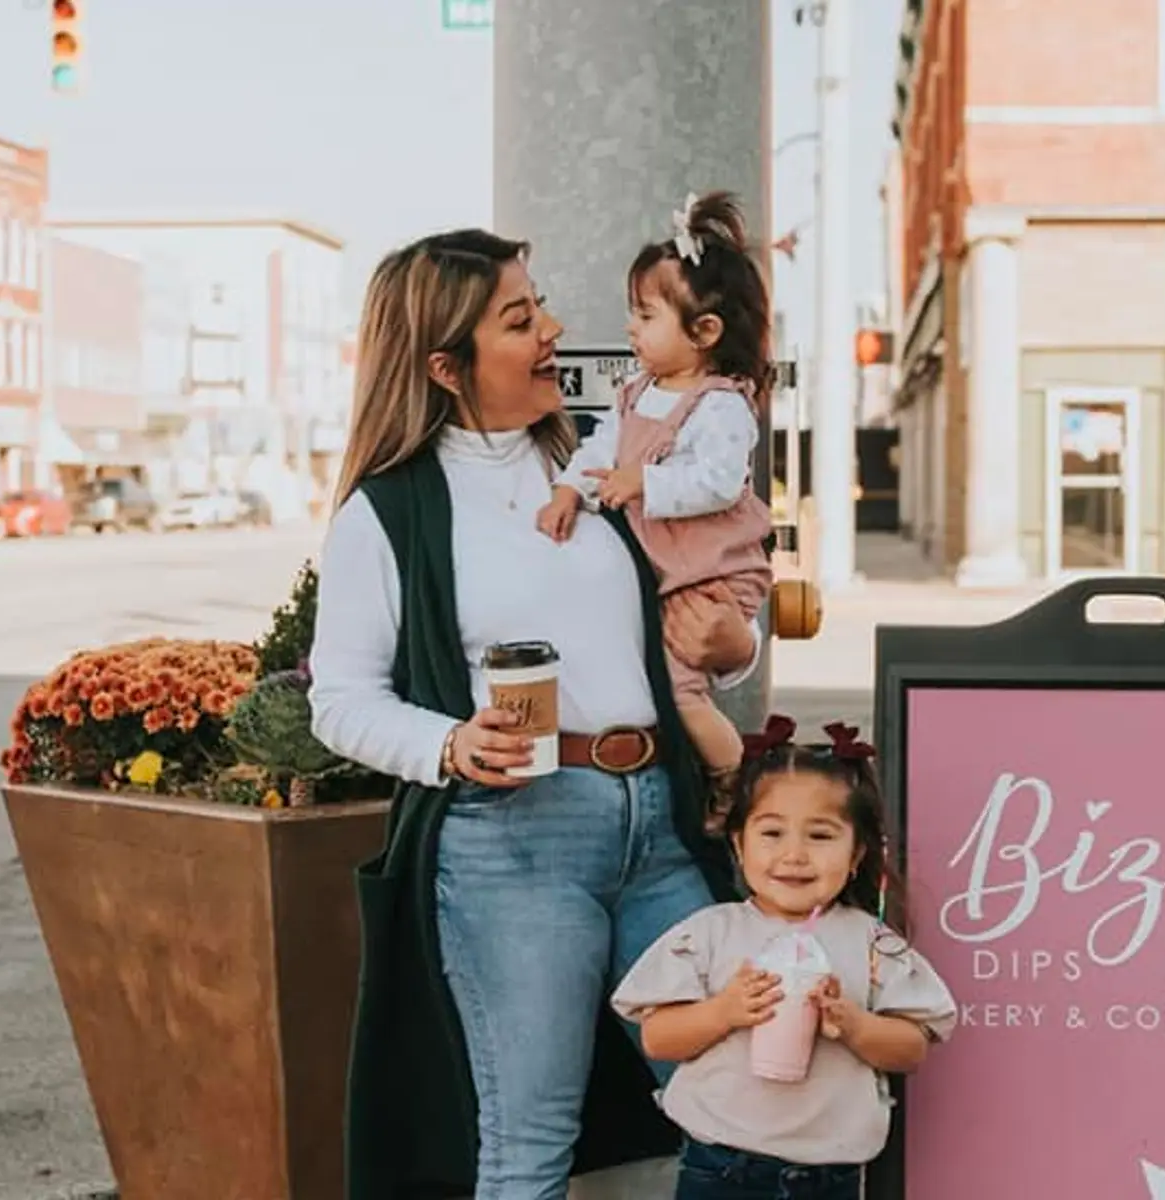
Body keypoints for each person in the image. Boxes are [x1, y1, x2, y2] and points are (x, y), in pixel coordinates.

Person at [308, 228, 765, 1200]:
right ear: (445, 363)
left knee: (742, 1104)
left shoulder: (606, 468)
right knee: (529, 1147)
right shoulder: (392, 512)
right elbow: (340, 701)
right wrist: (450, 742)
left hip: (659, 822)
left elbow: (694, 621)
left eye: (540, 305)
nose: (554, 329)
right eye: (521, 319)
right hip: (517, 843)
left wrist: (734, 650)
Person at [611, 716, 958, 1200]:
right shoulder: (710, 932)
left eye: (820, 836)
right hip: (720, 1167)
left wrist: (854, 1025)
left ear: (856, 852)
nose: (794, 855)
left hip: (828, 1176)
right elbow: (658, 1036)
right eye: (772, 834)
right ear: (738, 842)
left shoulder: (873, 943)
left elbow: (912, 1047)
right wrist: (723, 1012)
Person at [536, 191, 773, 825]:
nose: (631, 328)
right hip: (673, 574)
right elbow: (600, 450)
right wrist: (570, 489)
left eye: (645, 315)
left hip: (714, 572)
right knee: (655, 681)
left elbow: (721, 484)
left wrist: (645, 482)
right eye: (632, 314)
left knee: (681, 688)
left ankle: (735, 783)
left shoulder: (721, 404)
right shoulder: (637, 392)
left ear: (705, 332)